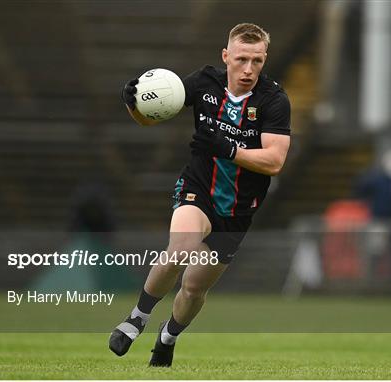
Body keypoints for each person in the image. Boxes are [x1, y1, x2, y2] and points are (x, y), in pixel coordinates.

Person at [108, 23, 291, 367]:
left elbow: (275, 161)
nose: (249, 69)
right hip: (198, 189)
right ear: (226, 56)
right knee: (180, 247)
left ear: (264, 60)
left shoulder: (274, 99)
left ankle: (168, 336)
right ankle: (137, 318)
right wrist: (134, 104)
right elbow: (151, 118)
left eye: (257, 61)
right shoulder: (205, 82)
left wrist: (228, 149)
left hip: (237, 211)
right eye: (241, 59)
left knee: (194, 289)